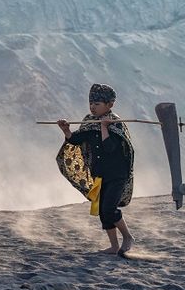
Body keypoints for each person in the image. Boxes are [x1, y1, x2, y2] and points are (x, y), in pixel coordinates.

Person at [56, 84, 135, 255]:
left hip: (116, 175)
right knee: (101, 211)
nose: (92, 107)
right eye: (91, 103)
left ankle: (128, 237)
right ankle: (114, 246)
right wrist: (66, 130)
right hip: (99, 174)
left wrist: (104, 127)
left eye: (97, 103)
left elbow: (109, 148)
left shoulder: (115, 123)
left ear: (109, 105)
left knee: (109, 208)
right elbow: (76, 140)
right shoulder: (89, 122)